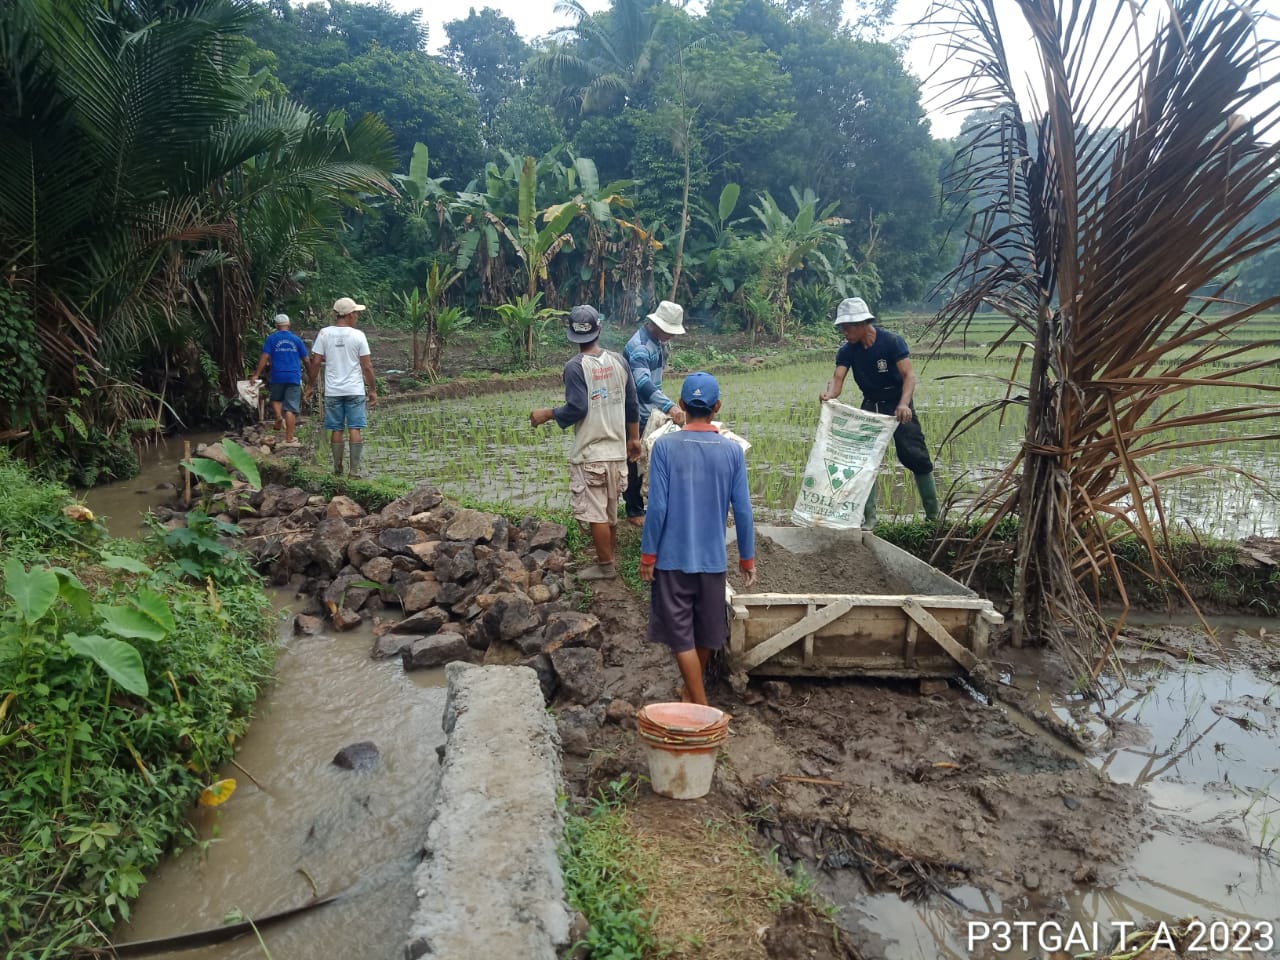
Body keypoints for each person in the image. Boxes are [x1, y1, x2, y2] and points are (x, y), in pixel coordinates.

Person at [640, 372, 755, 706]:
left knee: (680, 635)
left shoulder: (664, 447)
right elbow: (744, 512)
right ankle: (691, 692)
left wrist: (649, 555)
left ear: (681, 406)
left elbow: (657, 507)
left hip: (672, 560)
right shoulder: (732, 451)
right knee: (704, 630)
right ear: (717, 407)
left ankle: (699, 704)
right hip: (712, 561)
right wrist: (747, 559)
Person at [530, 305, 641, 580]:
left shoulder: (575, 367)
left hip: (591, 452)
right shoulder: (619, 361)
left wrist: (547, 414)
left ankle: (605, 567)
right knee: (611, 511)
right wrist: (634, 438)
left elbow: (577, 408)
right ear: (598, 330)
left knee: (595, 514)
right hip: (617, 452)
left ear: (571, 334)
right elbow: (632, 403)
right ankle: (610, 557)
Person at [819, 296, 939, 524]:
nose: (844, 332)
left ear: (862, 324)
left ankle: (933, 517)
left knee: (915, 455)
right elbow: (837, 379)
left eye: (847, 327)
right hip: (871, 405)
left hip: (897, 403)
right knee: (865, 461)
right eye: (842, 327)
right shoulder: (847, 351)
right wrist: (829, 394)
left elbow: (909, 376)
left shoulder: (892, 342)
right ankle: (870, 519)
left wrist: (904, 404)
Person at [622, 300, 688, 526]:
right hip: (635, 413)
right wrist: (670, 406)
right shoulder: (641, 347)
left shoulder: (656, 341)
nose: (671, 335)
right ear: (656, 324)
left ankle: (646, 505)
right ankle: (633, 511)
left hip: (649, 411)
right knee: (635, 459)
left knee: (648, 460)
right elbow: (642, 384)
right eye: (669, 330)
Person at [306, 296, 377, 477]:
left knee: (336, 429)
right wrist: (373, 389)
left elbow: (315, 363)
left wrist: (310, 385)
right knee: (355, 427)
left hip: (333, 391)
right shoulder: (358, 335)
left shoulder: (324, 334)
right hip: (354, 390)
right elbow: (367, 366)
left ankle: (337, 469)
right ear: (350, 315)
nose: (357, 317)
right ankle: (354, 471)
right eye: (356, 314)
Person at [249, 313, 308, 445]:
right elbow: (306, 359)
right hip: (293, 376)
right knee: (290, 408)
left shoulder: (271, 339)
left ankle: (278, 417)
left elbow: (264, 357)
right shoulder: (296, 340)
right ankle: (289, 438)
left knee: (276, 399)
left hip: (277, 375)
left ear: (276, 325)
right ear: (289, 324)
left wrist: (257, 374)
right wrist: (311, 376)